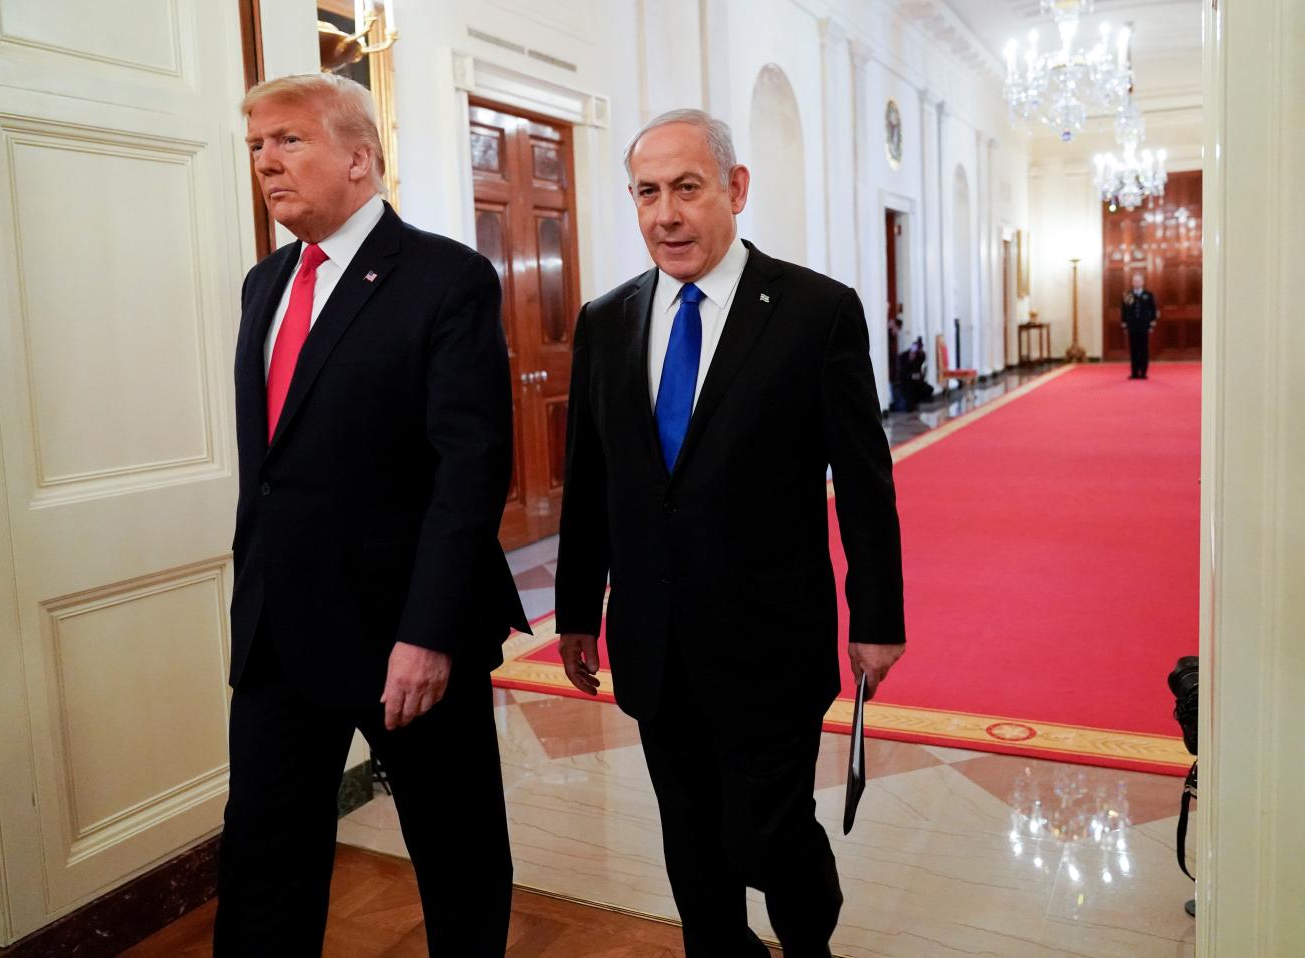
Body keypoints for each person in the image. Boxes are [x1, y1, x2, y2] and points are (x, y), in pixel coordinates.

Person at [553, 109, 907, 957]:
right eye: (647, 193)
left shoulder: (815, 311)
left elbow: (863, 481)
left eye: (686, 188)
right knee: (690, 835)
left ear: (735, 189)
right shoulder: (606, 320)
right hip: (653, 640)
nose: (665, 214)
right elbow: (591, 480)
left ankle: (809, 943)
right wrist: (574, 610)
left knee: (765, 830)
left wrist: (879, 617)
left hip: (768, 639)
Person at [216, 73, 527, 956]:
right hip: (279, 632)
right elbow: (273, 471)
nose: (267, 163)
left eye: (288, 141)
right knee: (263, 858)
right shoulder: (263, 284)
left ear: (359, 157)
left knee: (457, 854)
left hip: (406, 635)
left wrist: (427, 634)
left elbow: (470, 471)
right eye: (256, 148)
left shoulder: (446, 278)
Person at [1121, 272, 1158, 379]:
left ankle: (1143, 372)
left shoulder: (1148, 295)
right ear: (1132, 282)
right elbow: (1124, 311)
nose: (1137, 282)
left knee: (1143, 350)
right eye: (1135, 281)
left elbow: (1153, 310)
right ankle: (1134, 372)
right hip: (1132, 327)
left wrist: (1151, 325)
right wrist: (1124, 325)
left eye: (1139, 280)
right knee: (1133, 350)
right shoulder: (1128, 295)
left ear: (1143, 282)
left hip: (1144, 327)